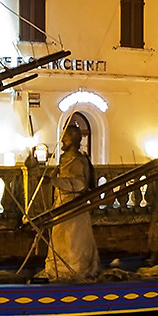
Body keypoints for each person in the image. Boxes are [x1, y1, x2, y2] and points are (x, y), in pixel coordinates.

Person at [45, 113, 100, 281]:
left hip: (73, 207)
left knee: (73, 242)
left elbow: (79, 184)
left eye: (65, 139)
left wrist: (55, 181)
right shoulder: (64, 159)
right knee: (59, 239)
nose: (62, 142)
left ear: (74, 141)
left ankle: (73, 270)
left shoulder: (78, 160)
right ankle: (58, 270)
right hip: (61, 205)